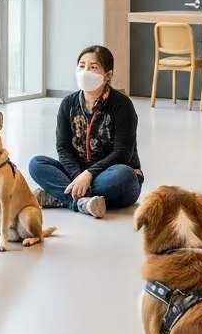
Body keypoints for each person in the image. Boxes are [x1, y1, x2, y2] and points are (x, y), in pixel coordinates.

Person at [28, 45, 143, 219]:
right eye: (81, 66)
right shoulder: (68, 103)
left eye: (93, 67)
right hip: (78, 174)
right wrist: (79, 176)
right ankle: (82, 202)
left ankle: (59, 196)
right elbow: (63, 148)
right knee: (36, 163)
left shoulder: (122, 105)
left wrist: (90, 174)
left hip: (111, 176)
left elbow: (123, 153)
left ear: (108, 75)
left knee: (125, 175)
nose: (85, 71)